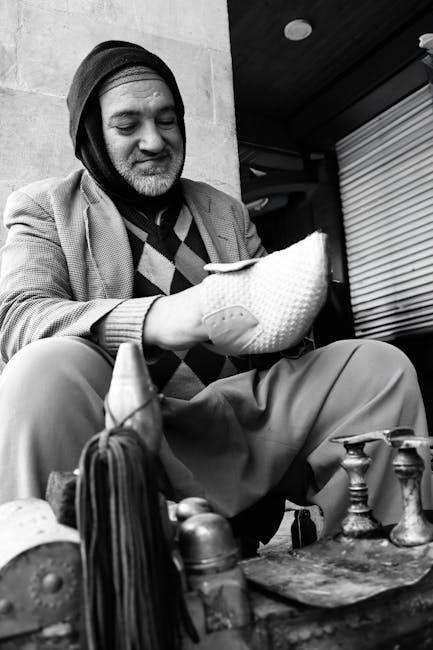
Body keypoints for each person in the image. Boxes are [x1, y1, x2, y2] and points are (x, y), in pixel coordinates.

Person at [0, 40, 430, 550]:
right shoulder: (46, 207)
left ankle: (376, 563)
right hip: (131, 429)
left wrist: (289, 314)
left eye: (167, 120)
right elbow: (19, 318)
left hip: (239, 423)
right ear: (92, 134)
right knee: (41, 368)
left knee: (378, 366)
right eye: (127, 125)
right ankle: (62, 583)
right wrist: (169, 316)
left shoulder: (225, 210)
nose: (154, 141)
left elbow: (283, 343)